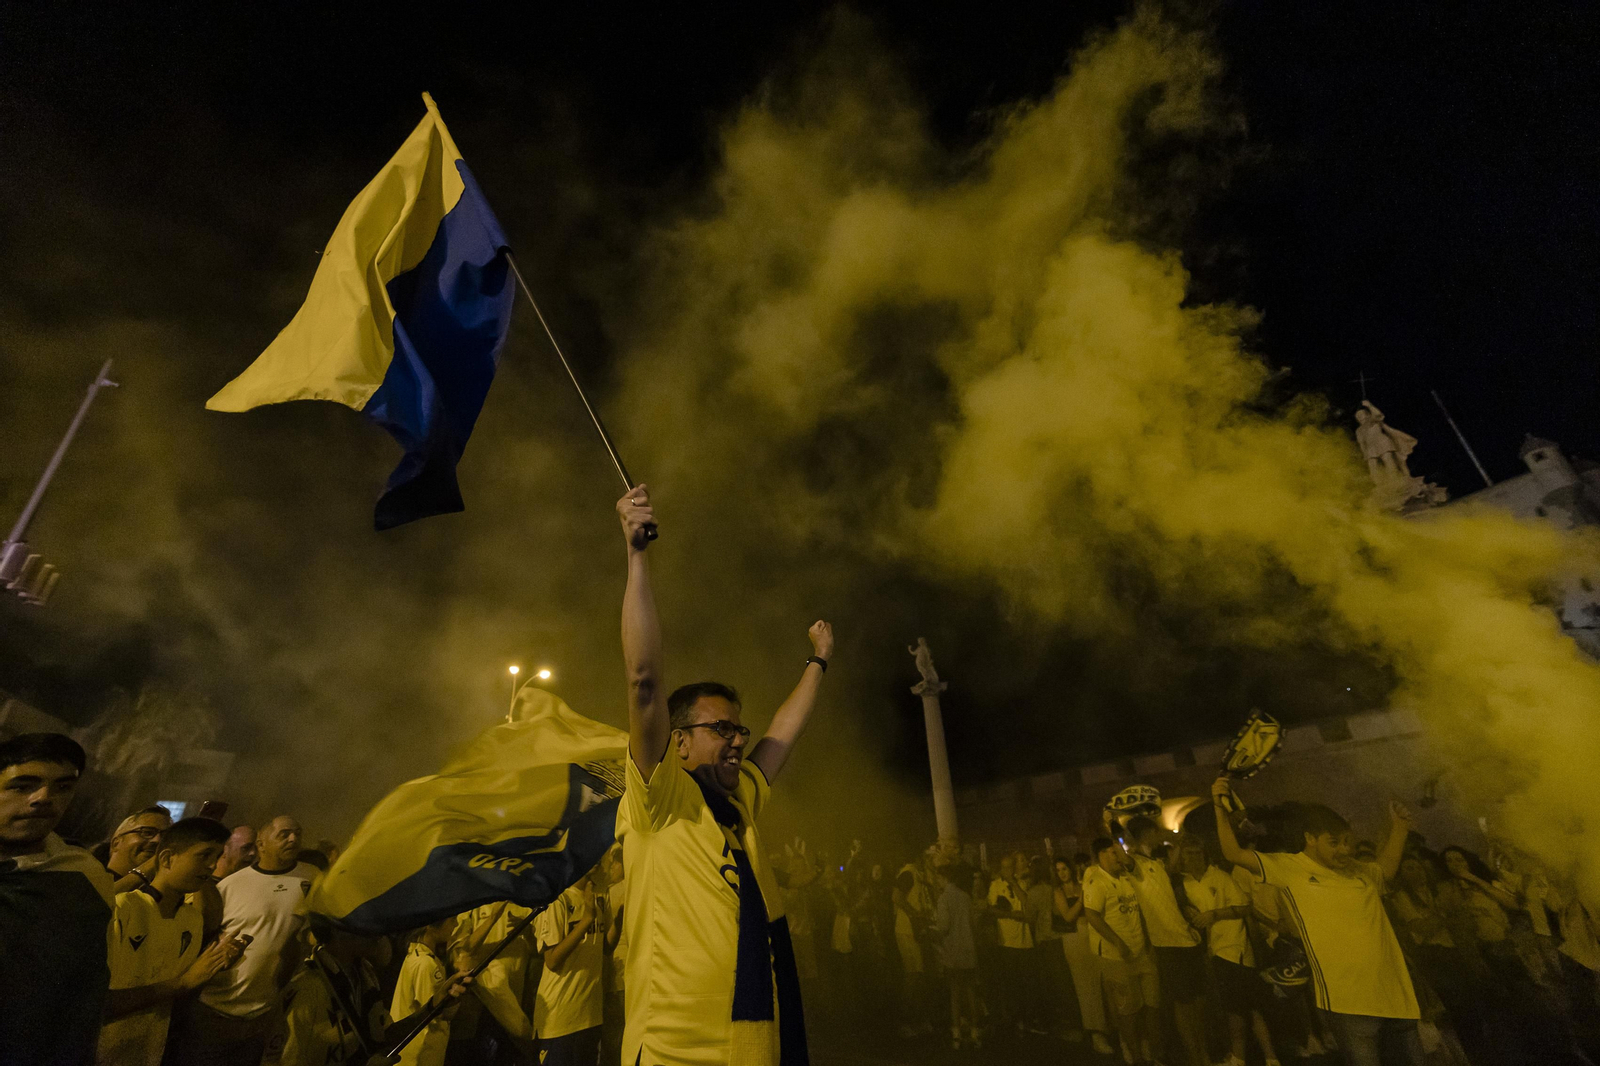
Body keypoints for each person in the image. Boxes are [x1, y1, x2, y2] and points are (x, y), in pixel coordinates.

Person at [613, 486, 831, 1066]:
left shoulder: (737, 808)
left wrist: (818, 661)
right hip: (671, 1053)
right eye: (721, 728)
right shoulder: (660, 800)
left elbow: (782, 734)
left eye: (739, 729)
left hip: (747, 1049)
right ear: (678, 742)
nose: (738, 740)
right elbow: (643, 680)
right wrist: (636, 557)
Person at [1213, 778, 1422, 1066]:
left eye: (1347, 842)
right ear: (1310, 838)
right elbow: (1233, 853)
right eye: (1334, 842)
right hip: (1348, 1003)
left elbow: (1385, 870)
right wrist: (1218, 808)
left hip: (1398, 996)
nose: (1344, 850)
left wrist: (1399, 828)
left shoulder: (1357, 870)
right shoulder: (1289, 867)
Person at [0, 732, 116, 1066]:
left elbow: (87, 988)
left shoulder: (84, 876)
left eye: (62, 787)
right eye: (22, 785)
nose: (44, 798)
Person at [99, 817, 245, 1066]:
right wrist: (183, 983)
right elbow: (97, 1004)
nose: (212, 865)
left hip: (149, 1053)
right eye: (204, 855)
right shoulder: (123, 909)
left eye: (217, 856)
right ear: (166, 858)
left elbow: (181, 990)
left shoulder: (191, 919)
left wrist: (213, 965)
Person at [177, 815, 319, 1066]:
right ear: (261, 844)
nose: (293, 839)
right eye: (284, 834)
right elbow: (202, 936)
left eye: (297, 833)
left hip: (266, 1014)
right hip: (215, 1010)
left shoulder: (312, 878)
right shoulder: (232, 885)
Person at [1177, 836, 1278, 1066]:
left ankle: (1240, 1057)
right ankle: (1269, 1057)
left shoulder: (1220, 877)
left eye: (1197, 853)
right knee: (1245, 1006)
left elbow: (1244, 906)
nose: (1193, 858)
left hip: (1234, 948)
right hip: (1215, 949)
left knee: (1239, 1007)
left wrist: (1214, 915)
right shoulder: (1186, 884)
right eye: (1188, 854)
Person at [1124, 816, 1207, 1066]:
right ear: (1146, 834)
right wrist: (1113, 827)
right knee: (1183, 1003)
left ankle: (1202, 1052)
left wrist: (1178, 843)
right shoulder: (1135, 863)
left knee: (1197, 1000)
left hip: (1186, 938)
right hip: (1168, 943)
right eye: (1155, 830)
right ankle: (1195, 1057)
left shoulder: (1155, 862)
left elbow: (1169, 870)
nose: (1160, 834)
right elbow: (1123, 856)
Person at [1082, 835, 1162, 1066]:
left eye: (1118, 850)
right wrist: (1117, 942)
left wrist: (1148, 940)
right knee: (1128, 1009)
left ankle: (1150, 1048)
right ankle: (1134, 1052)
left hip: (1142, 951)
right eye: (1112, 852)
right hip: (1116, 956)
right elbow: (1092, 914)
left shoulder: (1127, 877)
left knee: (1151, 1004)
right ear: (1101, 855)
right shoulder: (1097, 881)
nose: (1118, 855)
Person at [533, 873, 606, 1065]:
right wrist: (586, 920)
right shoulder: (558, 900)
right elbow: (552, 960)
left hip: (590, 1015)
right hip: (561, 1018)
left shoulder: (596, 899)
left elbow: (605, 948)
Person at [1055, 855, 1114, 1055]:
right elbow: (1068, 916)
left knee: (1102, 981)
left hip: (1093, 934)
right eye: (1058, 870)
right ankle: (1096, 1032)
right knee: (1085, 986)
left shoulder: (1082, 885)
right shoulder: (1059, 892)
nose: (1062, 873)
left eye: (1064, 868)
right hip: (1074, 938)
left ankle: (1110, 1027)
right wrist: (1082, 898)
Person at [390, 916, 463, 1066]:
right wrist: (459, 993)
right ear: (430, 925)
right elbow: (437, 1013)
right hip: (419, 1056)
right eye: (451, 919)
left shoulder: (419, 955)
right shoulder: (426, 964)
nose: (456, 924)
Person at [933, 861, 981, 1049]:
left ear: (943, 878)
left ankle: (956, 1033)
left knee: (955, 993)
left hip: (953, 951)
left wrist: (934, 929)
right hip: (968, 950)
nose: (936, 881)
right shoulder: (965, 897)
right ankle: (975, 1031)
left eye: (938, 877)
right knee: (970, 992)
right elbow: (973, 924)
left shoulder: (943, 898)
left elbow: (944, 926)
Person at [987, 851, 1035, 1031]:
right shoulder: (995, 885)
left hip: (1025, 941)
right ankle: (1014, 1018)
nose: (1007, 871)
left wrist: (1014, 883)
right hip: (1006, 942)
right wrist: (1010, 915)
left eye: (1010, 867)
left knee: (1027, 982)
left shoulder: (1021, 883)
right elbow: (991, 909)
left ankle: (1028, 1017)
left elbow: (1027, 903)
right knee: (1011, 982)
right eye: (1005, 868)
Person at [105, 805, 174, 891]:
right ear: (116, 843)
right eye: (147, 832)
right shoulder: (91, 876)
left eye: (164, 837)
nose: (157, 840)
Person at [601, 850, 627, 1064]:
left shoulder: (615, 891)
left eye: (615, 863)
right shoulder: (636, 886)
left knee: (613, 1038)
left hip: (617, 975)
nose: (610, 867)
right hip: (626, 974)